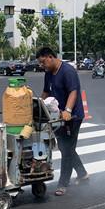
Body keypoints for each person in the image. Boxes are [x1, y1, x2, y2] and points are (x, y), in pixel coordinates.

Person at [36, 46, 88, 196]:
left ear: (50, 57)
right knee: (66, 147)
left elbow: (73, 91)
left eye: (43, 62)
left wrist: (68, 111)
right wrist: (38, 104)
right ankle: (82, 174)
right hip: (57, 117)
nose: (42, 66)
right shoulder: (49, 73)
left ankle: (63, 183)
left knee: (67, 149)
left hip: (72, 117)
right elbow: (46, 91)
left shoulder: (68, 71)